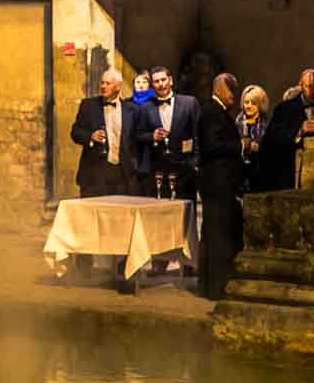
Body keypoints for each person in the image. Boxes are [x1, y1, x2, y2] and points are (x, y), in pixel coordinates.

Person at [196, 72, 246, 300]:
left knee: (218, 234)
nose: (234, 95)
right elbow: (212, 145)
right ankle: (214, 287)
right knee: (216, 236)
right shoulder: (210, 112)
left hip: (221, 184)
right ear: (218, 89)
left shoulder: (219, 112)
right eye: (230, 90)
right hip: (217, 184)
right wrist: (240, 145)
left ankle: (213, 285)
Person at [253, 67, 314, 193]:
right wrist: (299, 131)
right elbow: (273, 138)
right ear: (301, 85)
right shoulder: (284, 109)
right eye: (309, 86)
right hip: (290, 173)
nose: (313, 91)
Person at [127, 66, 199, 200]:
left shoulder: (189, 103)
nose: (161, 84)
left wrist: (195, 163)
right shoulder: (145, 107)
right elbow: (137, 135)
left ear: (170, 80)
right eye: (156, 81)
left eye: (163, 80)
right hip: (158, 171)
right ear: (152, 85)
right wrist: (152, 136)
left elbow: (198, 134)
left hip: (185, 171)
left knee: (186, 214)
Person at [68, 68, 136, 199]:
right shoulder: (88, 105)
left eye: (108, 83)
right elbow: (75, 132)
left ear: (118, 86)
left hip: (123, 174)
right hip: (95, 173)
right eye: (102, 83)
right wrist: (90, 136)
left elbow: (135, 139)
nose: (103, 86)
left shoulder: (131, 109)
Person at [237, 85, 270, 185]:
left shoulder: (267, 125)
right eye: (246, 102)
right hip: (239, 171)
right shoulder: (237, 123)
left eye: (253, 103)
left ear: (260, 104)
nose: (249, 106)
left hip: (260, 170)